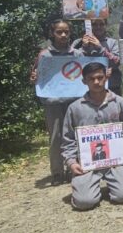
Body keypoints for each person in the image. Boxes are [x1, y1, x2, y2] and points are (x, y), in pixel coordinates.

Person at [61, 62, 123, 209]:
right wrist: (71, 162)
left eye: (100, 77)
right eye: (91, 78)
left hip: (114, 161)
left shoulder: (121, 103)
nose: (96, 82)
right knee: (84, 202)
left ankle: (115, 184)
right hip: (87, 163)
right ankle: (86, 188)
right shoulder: (75, 108)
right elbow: (67, 140)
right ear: (84, 81)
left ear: (106, 77)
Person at [30, 19, 83, 186]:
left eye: (66, 31)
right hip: (52, 102)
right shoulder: (44, 55)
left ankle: (77, 167)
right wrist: (33, 78)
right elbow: (36, 76)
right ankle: (58, 172)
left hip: (74, 100)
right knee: (55, 137)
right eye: (59, 32)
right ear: (52, 34)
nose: (63, 35)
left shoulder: (77, 54)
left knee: (77, 135)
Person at [72, 18, 122, 96]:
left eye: (101, 24)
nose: (98, 27)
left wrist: (100, 48)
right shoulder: (78, 43)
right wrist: (84, 47)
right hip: (84, 89)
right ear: (88, 26)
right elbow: (72, 63)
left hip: (111, 88)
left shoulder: (112, 43)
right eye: (94, 24)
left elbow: (116, 63)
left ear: (106, 26)